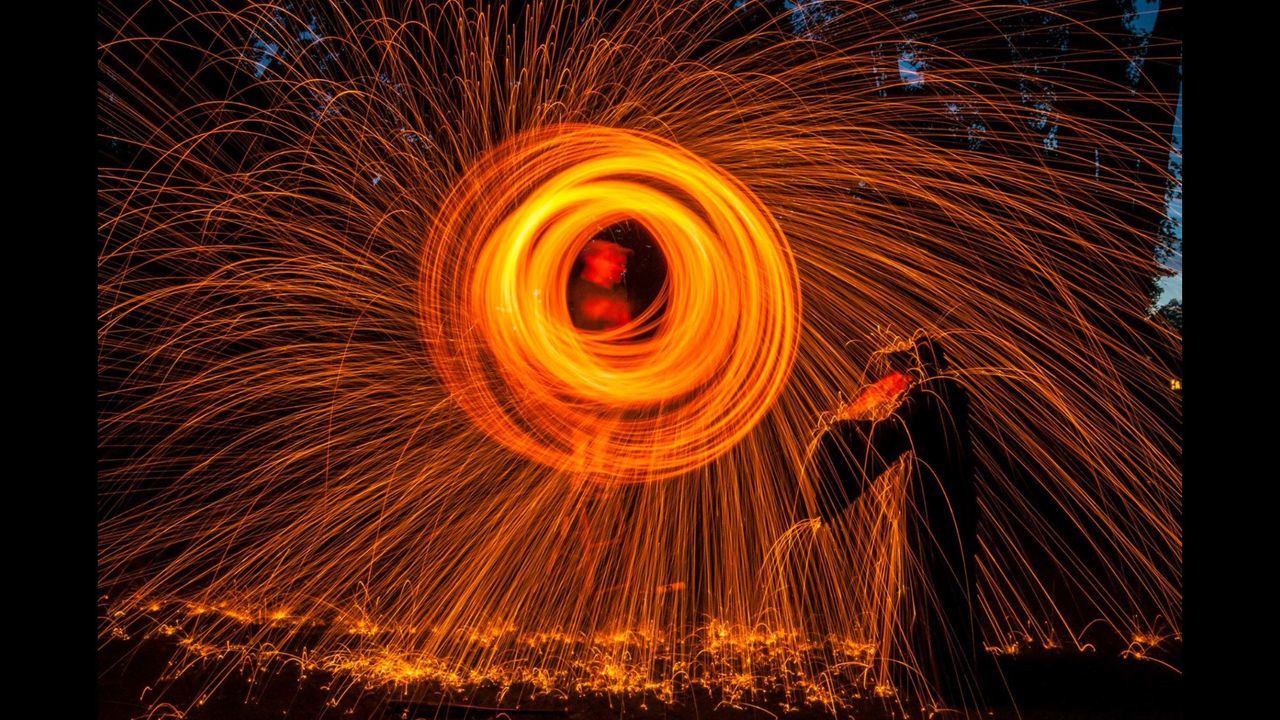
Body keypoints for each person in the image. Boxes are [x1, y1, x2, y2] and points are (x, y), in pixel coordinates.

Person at [806, 336, 986, 708]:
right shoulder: (948, 393)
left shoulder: (924, 401)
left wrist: (841, 433)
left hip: (933, 509)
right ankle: (946, 667)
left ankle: (932, 673)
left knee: (927, 584)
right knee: (943, 583)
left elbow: (885, 440)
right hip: (952, 504)